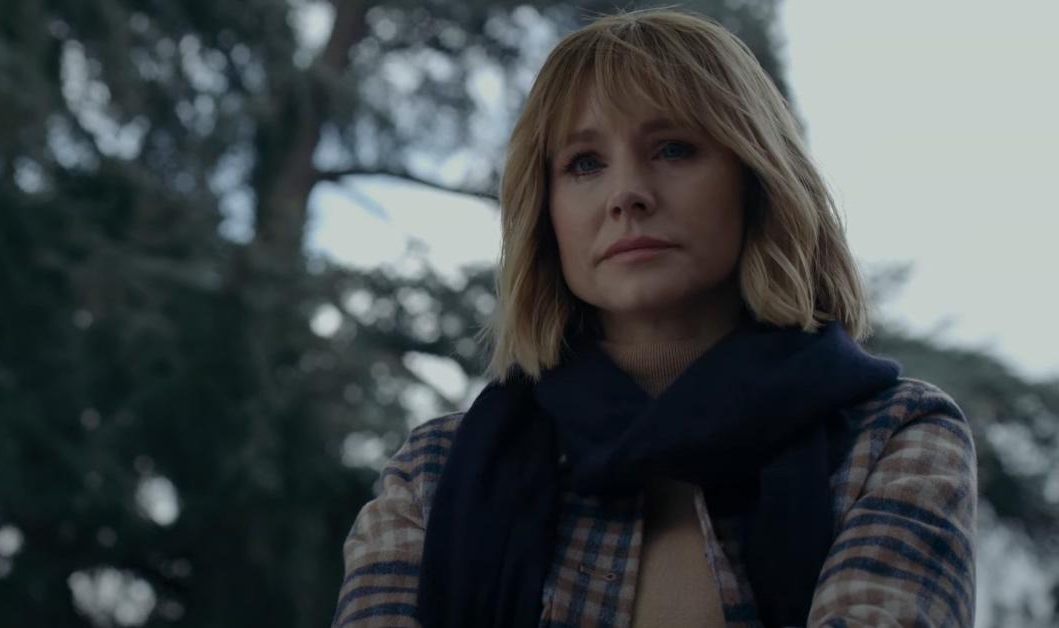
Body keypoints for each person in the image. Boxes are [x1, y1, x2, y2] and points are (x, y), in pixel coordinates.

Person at [332, 8, 976, 628]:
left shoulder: (894, 438)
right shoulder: (433, 473)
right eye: (585, 163)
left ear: (756, 179)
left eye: (673, 149)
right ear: (546, 215)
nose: (626, 195)